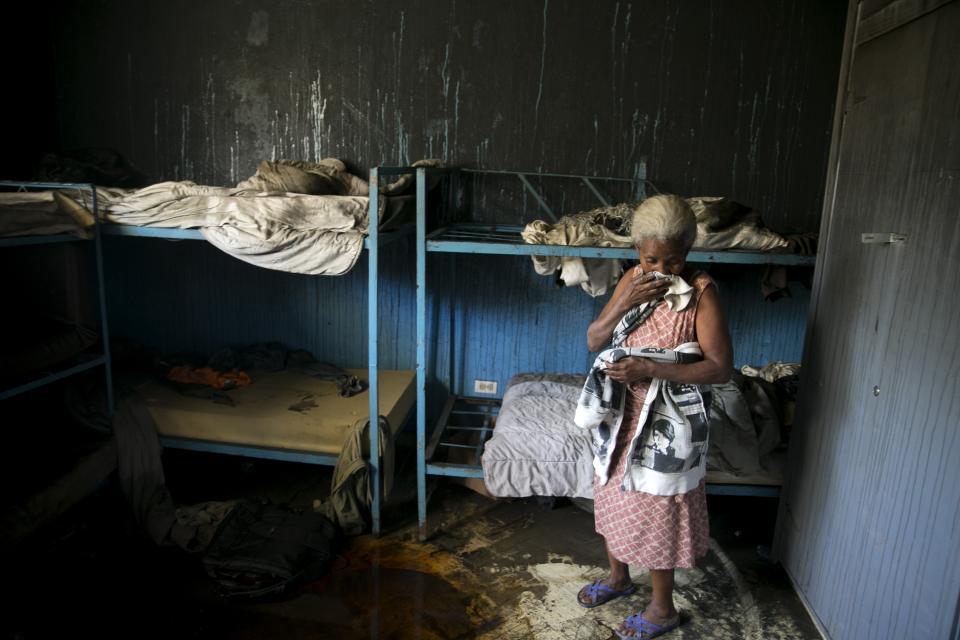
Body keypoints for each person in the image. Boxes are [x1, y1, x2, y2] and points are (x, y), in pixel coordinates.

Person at [575, 194, 733, 639]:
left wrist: (651, 368)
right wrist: (624, 301)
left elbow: (720, 367)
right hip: (621, 415)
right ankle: (618, 578)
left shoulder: (701, 293)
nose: (662, 270)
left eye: (674, 260)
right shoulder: (632, 280)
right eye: (652, 259)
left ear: (689, 252)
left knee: (659, 510)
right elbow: (594, 339)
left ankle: (663, 610)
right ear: (637, 252)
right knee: (610, 494)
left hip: (667, 423)